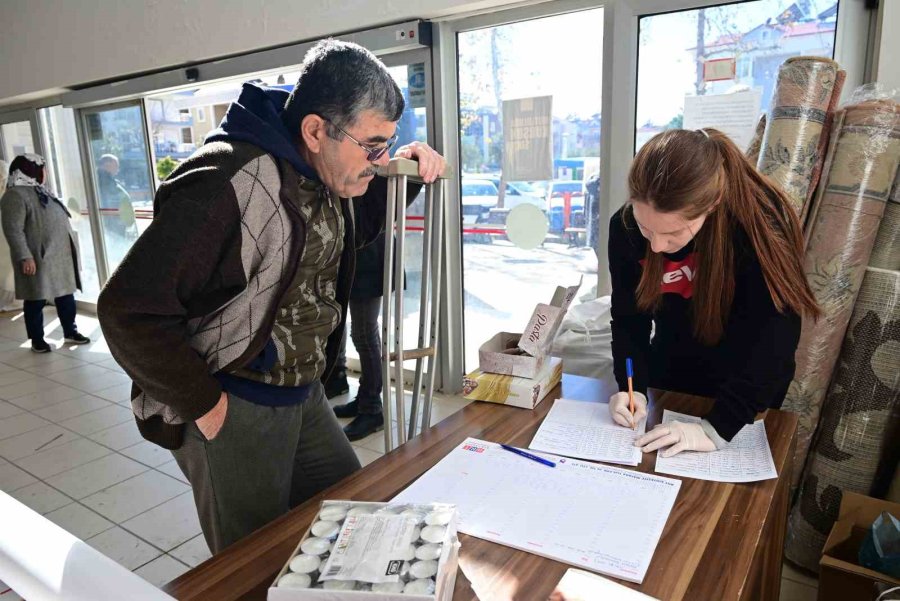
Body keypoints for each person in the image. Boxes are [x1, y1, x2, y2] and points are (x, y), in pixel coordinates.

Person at [97, 39, 445, 554]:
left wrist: (406, 170)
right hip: (235, 398)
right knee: (254, 560)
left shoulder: (324, 169)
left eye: (386, 144)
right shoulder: (225, 181)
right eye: (372, 146)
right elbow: (127, 308)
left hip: (303, 392)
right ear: (314, 130)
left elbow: (353, 231)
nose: (377, 160)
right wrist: (206, 403)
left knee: (349, 517)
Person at [607, 128, 819, 457]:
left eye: (674, 232)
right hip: (673, 366)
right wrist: (630, 386)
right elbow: (628, 320)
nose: (657, 245)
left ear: (713, 205)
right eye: (647, 227)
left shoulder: (758, 227)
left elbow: (774, 343)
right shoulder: (624, 228)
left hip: (746, 387)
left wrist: (717, 428)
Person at [1, 154, 90, 352]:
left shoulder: (42, 191)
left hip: (60, 256)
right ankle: (37, 339)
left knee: (66, 295)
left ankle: (70, 332)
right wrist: (25, 256)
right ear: (29, 170)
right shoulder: (15, 195)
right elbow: (13, 229)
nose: (45, 173)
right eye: (41, 168)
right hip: (38, 257)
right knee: (36, 299)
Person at [327, 230, 391, 440]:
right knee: (340, 323)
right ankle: (355, 391)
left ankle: (372, 409)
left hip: (370, 255)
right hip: (353, 255)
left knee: (364, 333)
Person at [96, 154, 131, 238]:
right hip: (113, 225)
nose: (118, 170)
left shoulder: (109, 180)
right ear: (107, 165)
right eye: (116, 166)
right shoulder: (104, 181)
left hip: (115, 223)